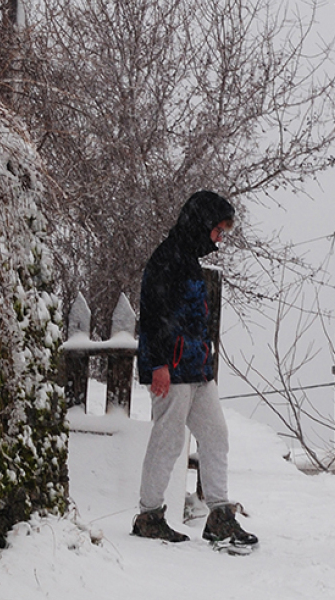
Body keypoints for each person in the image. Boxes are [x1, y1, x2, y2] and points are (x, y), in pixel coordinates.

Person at [133, 190, 257, 548]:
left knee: (216, 436)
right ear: (201, 224)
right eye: (218, 230)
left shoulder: (188, 259)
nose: (220, 238)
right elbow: (153, 316)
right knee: (167, 440)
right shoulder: (166, 259)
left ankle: (219, 515)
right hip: (170, 368)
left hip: (198, 369)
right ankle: (149, 515)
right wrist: (158, 364)